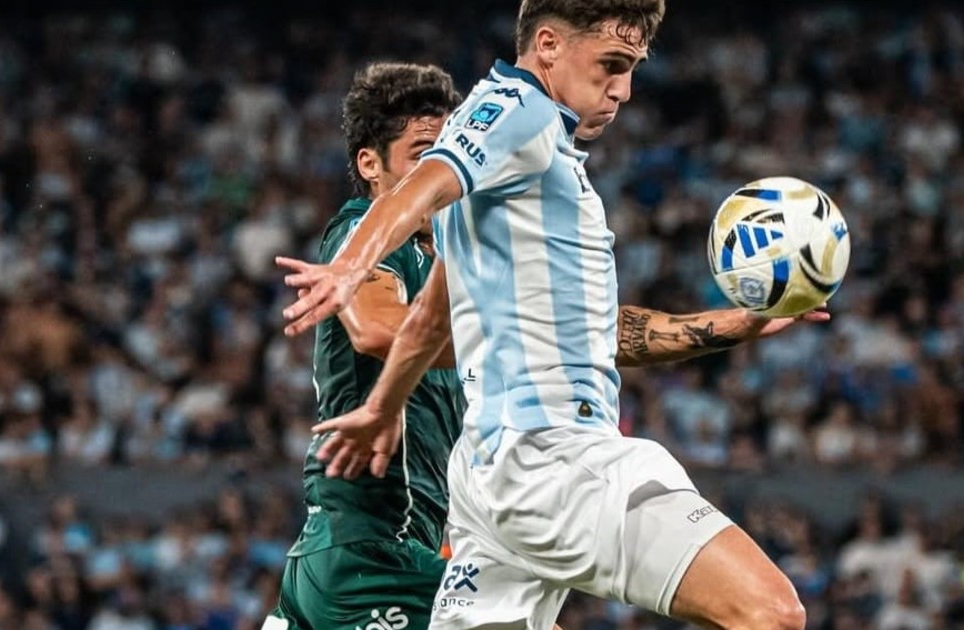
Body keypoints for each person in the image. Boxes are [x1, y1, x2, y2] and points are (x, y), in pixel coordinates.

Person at [276, 1, 817, 628]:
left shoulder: (512, 174)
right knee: (771, 611)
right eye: (611, 64)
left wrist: (382, 405)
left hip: (486, 482)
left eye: (633, 68)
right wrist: (351, 265)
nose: (622, 90)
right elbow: (424, 185)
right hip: (554, 456)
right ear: (550, 45)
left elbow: (432, 318)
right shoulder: (520, 108)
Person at [261, 62, 465, 630]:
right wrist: (513, 344)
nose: (440, 172)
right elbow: (375, 328)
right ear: (370, 164)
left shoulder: (442, 266)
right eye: (424, 153)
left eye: (451, 155)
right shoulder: (365, 230)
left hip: (365, 549)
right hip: (370, 554)